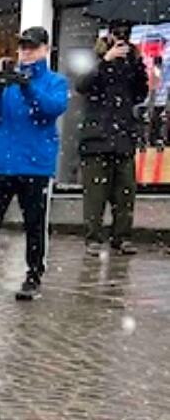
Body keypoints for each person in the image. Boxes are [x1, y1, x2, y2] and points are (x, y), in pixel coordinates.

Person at [0, 25, 68, 301]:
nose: (25, 52)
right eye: (22, 47)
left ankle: (33, 277)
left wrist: (28, 88)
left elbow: (51, 110)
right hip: (1, 162)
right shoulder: (8, 79)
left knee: (34, 224)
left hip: (34, 164)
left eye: (31, 47)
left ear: (45, 49)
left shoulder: (55, 81)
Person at [78, 24, 148, 256]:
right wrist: (105, 60)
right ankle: (93, 237)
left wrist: (137, 67)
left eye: (125, 34)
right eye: (117, 33)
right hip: (96, 138)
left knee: (125, 193)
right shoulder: (95, 57)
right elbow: (82, 85)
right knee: (95, 195)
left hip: (123, 138)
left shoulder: (132, 60)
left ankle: (122, 237)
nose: (121, 38)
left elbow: (140, 94)